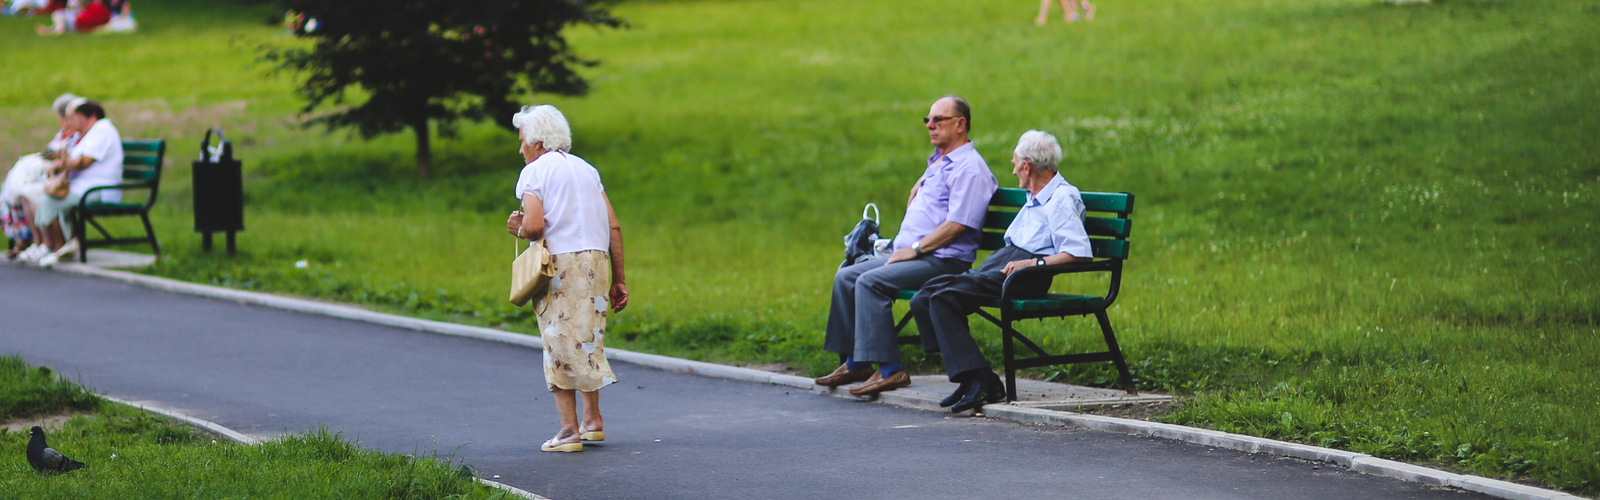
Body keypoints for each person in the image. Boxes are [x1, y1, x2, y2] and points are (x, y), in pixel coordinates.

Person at [814, 95, 998, 397]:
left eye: (938, 119)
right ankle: (857, 362)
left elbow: (959, 225)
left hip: (942, 260)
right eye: (927, 120)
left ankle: (891, 370)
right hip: (917, 254)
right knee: (846, 276)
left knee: (870, 282)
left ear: (960, 124)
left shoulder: (970, 169)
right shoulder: (941, 162)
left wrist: (915, 249)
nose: (930, 125)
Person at [910, 130, 1093, 414]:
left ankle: (982, 379)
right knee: (925, 296)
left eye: (1015, 163)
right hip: (1007, 263)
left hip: (1026, 275)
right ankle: (970, 376)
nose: (1013, 169)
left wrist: (1033, 263)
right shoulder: (1037, 194)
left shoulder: (1061, 198)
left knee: (944, 297)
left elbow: (1078, 252)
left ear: (1027, 166)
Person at [503, 104, 629, 453]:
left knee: (557, 343)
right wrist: (619, 279)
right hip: (596, 262)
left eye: (522, 141)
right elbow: (613, 226)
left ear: (537, 142)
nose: (520, 149)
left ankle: (568, 431)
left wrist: (517, 228)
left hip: (560, 265)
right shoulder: (587, 169)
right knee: (586, 340)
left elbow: (534, 226)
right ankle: (593, 421)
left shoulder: (534, 172)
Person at [18, 99, 122, 267]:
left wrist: (61, 163)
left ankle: (59, 247)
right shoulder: (89, 133)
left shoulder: (103, 130)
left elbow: (83, 161)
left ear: (92, 117)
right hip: (83, 186)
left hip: (98, 189)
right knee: (42, 195)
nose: (74, 123)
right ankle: (59, 245)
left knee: (49, 200)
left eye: (78, 119)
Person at [4, 93, 80, 260]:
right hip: (55, 178)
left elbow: (70, 160)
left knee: (32, 192)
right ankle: (38, 243)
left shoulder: (78, 135)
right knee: (24, 189)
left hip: (67, 182)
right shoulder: (64, 134)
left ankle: (48, 244)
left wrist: (56, 162)